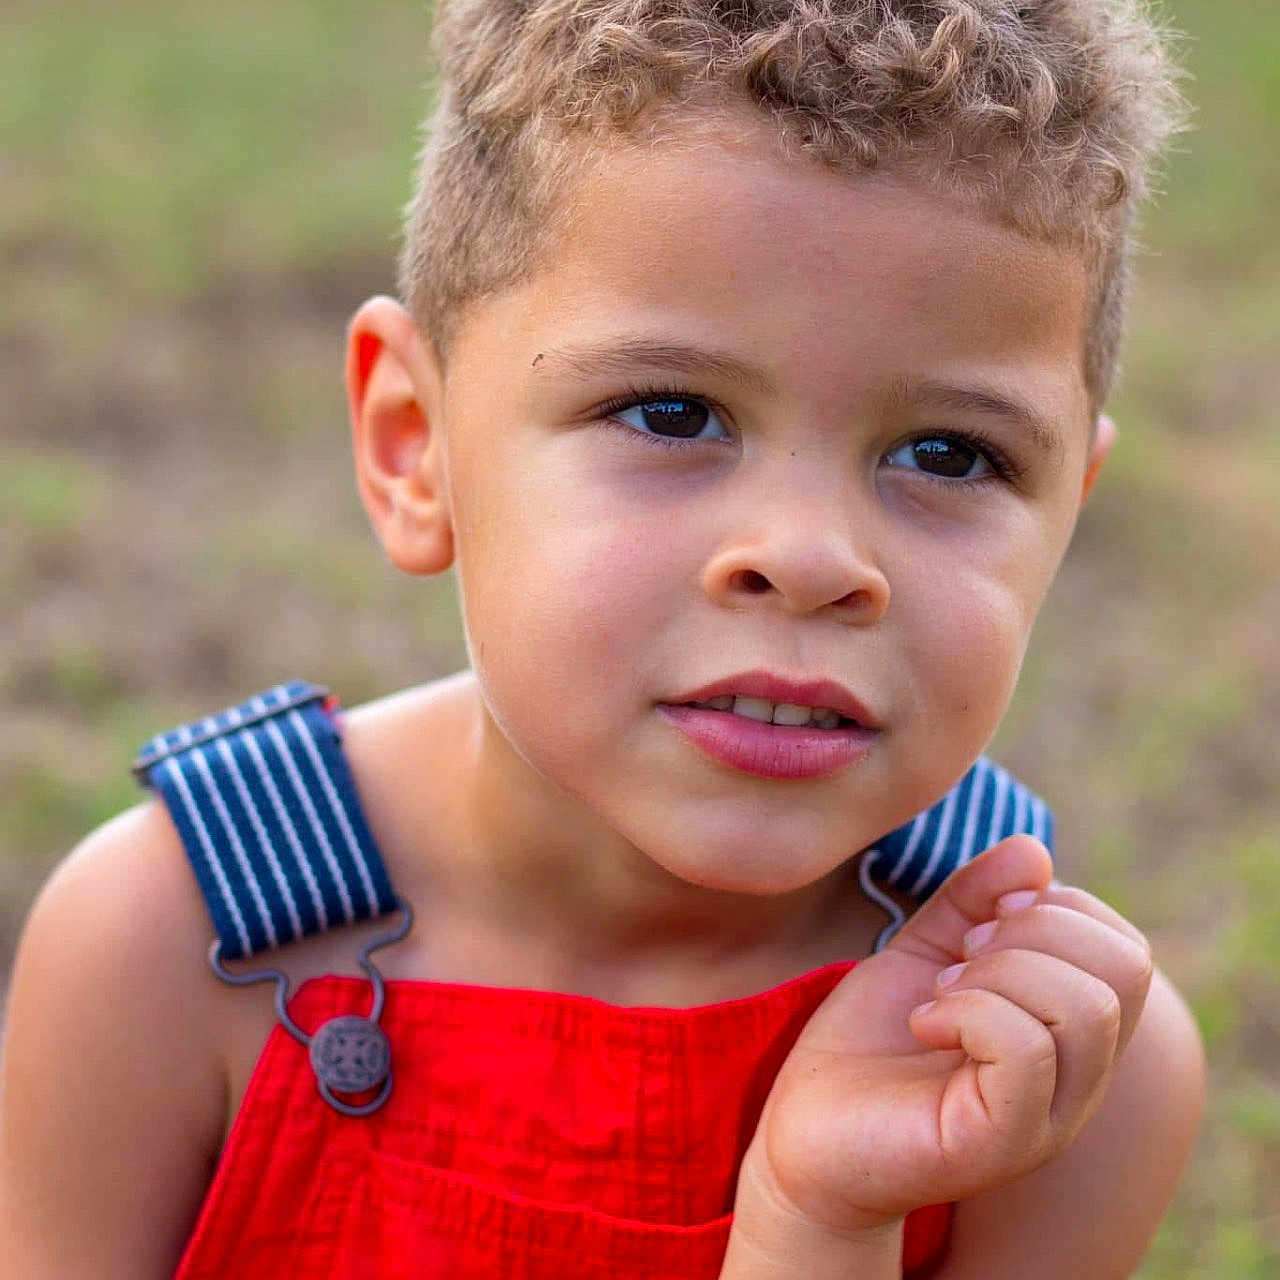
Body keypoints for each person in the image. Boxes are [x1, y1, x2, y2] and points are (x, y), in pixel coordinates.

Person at [0, 1, 1205, 1276]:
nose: (805, 556)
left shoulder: (1055, 1059)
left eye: (950, 453)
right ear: (416, 446)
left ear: (1064, 511)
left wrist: (824, 1224)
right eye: (672, 411)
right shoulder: (172, 944)